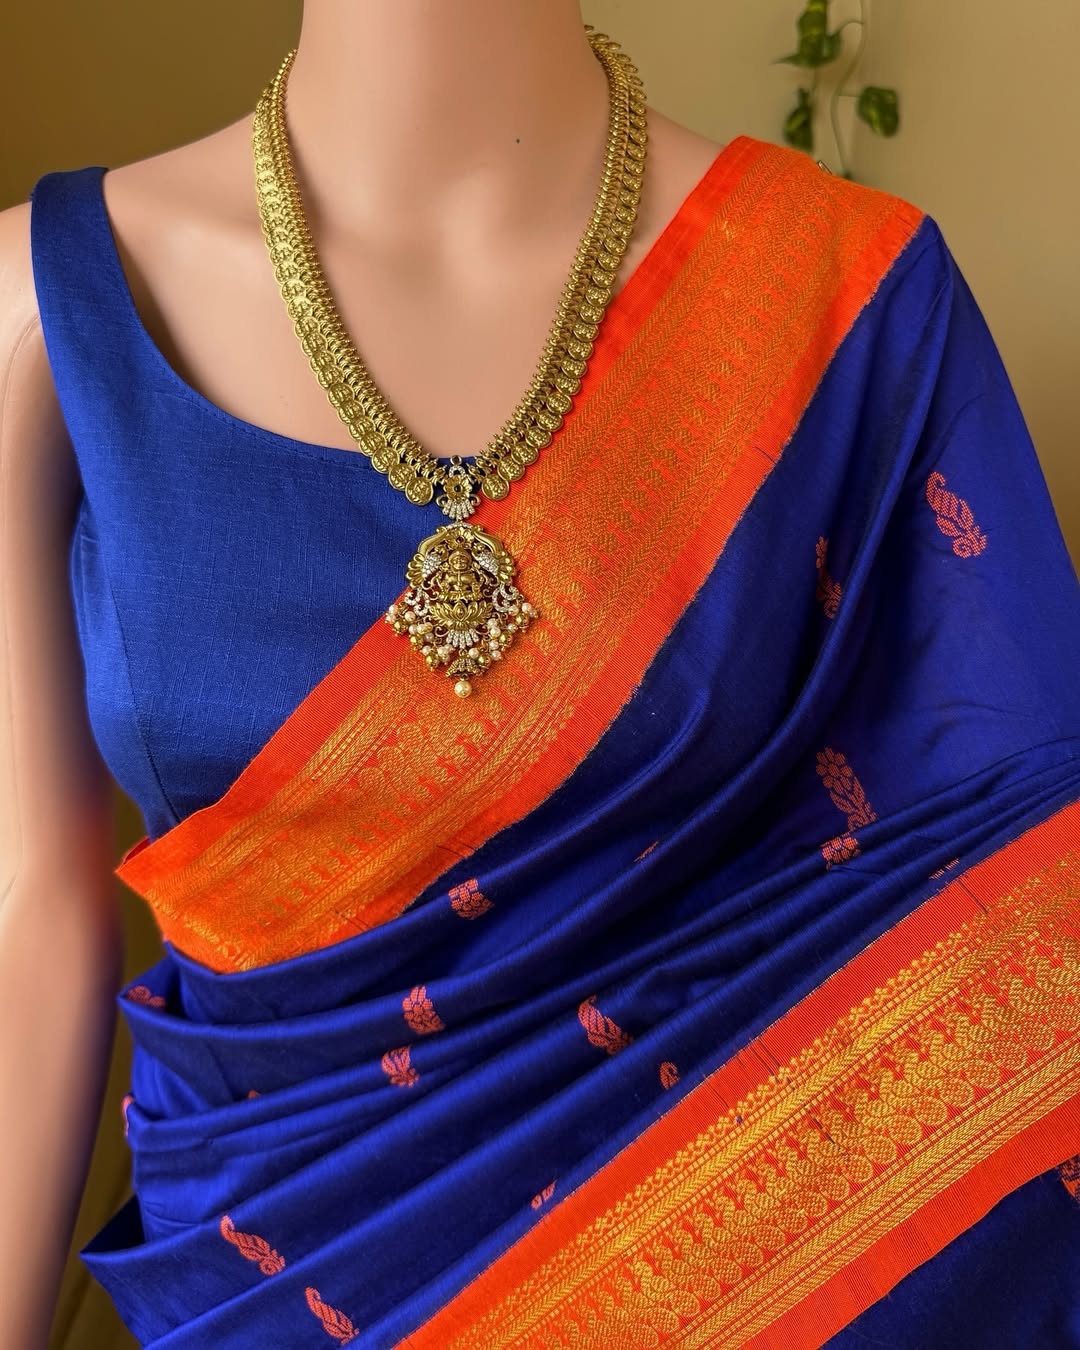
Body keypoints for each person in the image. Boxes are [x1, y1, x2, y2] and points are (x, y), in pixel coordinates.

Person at [2, 1, 1079, 1346]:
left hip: (714, 1279)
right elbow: (30, 913)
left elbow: (1016, 909)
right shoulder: (42, 298)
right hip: (258, 1278)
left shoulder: (833, 297)